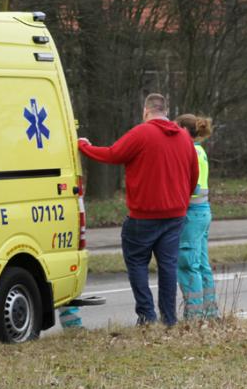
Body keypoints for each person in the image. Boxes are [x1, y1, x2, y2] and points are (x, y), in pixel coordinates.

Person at [78, 93, 199, 327]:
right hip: (175, 215)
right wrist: (181, 200)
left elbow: (113, 154)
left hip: (144, 215)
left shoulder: (142, 133)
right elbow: (192, 176)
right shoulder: (185, 138)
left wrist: (84, 147)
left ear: (146, 111)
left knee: (136, 263)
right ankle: (169, 319)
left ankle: (147, 316)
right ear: (166, 111)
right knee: (168, 267)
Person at [175, 114, 219, 320]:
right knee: (201, 264)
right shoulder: (200, 150)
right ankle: (210, 312)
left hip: (191, 214)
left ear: (183, 130)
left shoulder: (188, 151)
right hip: (203, 211)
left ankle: (193, 316)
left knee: (187, 263)